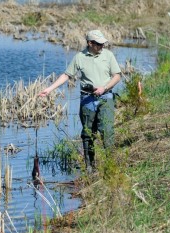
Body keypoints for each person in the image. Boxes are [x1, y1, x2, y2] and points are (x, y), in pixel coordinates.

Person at [39, 30, 121, 172]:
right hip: (87, 99)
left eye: (103, 43)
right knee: (88, 134)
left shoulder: (108, 55)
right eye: (99, 44)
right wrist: (49, 89)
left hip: (106, 97)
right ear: (90, 43)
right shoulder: (79, 57)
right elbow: (66, 75)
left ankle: (111, 167)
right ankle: (90, 167)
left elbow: (117, 76)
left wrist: (104, 88)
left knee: (107, 131)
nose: (102, 46)